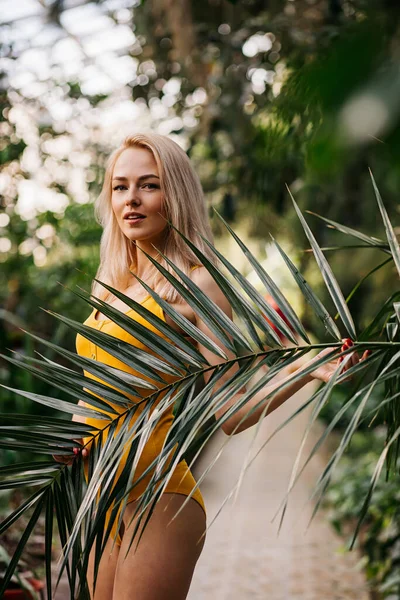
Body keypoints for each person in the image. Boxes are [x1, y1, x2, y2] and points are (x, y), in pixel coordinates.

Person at [53, 132, 370, 600]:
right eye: (120, 187)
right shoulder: (112, 281)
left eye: (149, 185)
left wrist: (306, 370)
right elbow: (95, 389)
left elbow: (231, 413)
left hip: (158, 498)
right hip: (100, 497)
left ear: (175, 194)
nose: (132, 200)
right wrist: (71, 440)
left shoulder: (198, 283)